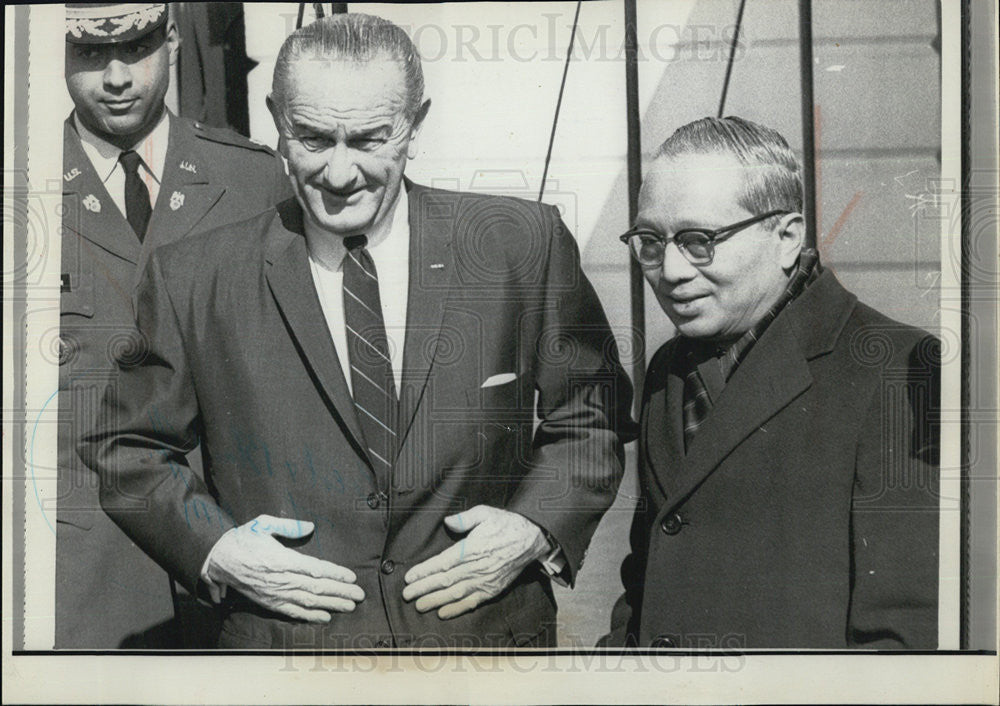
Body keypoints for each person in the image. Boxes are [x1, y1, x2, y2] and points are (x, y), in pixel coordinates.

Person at [80, 13, 636, 649]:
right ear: (276, 123)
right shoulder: (193, 277)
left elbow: (592, 416)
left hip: (487, 653)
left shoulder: (521, 245)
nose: (340, 175)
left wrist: (535, 527)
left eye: (370, 140)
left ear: (415, 125)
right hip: (288, 658)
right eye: (313, 139)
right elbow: (127, 449)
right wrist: (218, 549)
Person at [604, 116, 940, 649]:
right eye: (649, 240)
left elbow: (905, 640)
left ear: (787, 238)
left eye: (698, 240)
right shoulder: (668, 369)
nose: (668, 271)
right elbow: (647, 579)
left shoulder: (901, 369)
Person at [58, 2, 292, 648]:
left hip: (245, 565)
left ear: (170, 39)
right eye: (86, 54)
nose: (115, 77)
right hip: (84, 584)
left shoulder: (254, 180)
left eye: (134, 47)